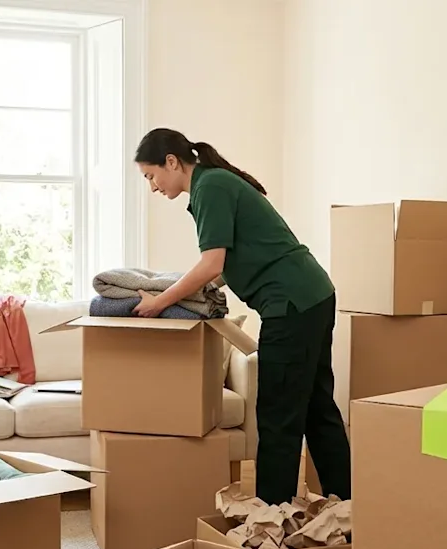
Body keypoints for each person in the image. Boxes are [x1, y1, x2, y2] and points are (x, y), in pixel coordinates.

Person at [131, 128, 351, 504]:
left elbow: (211, 261)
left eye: (151, 175)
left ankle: (270, 518)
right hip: (312, 295)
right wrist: (188, 291)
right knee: (316, 407)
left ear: (171, 162)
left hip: (291, 304)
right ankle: (348, 509)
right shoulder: (214, 183)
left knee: (277, 415)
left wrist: (161, 301)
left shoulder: (209, 188)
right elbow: (222, 267)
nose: (152, 186)